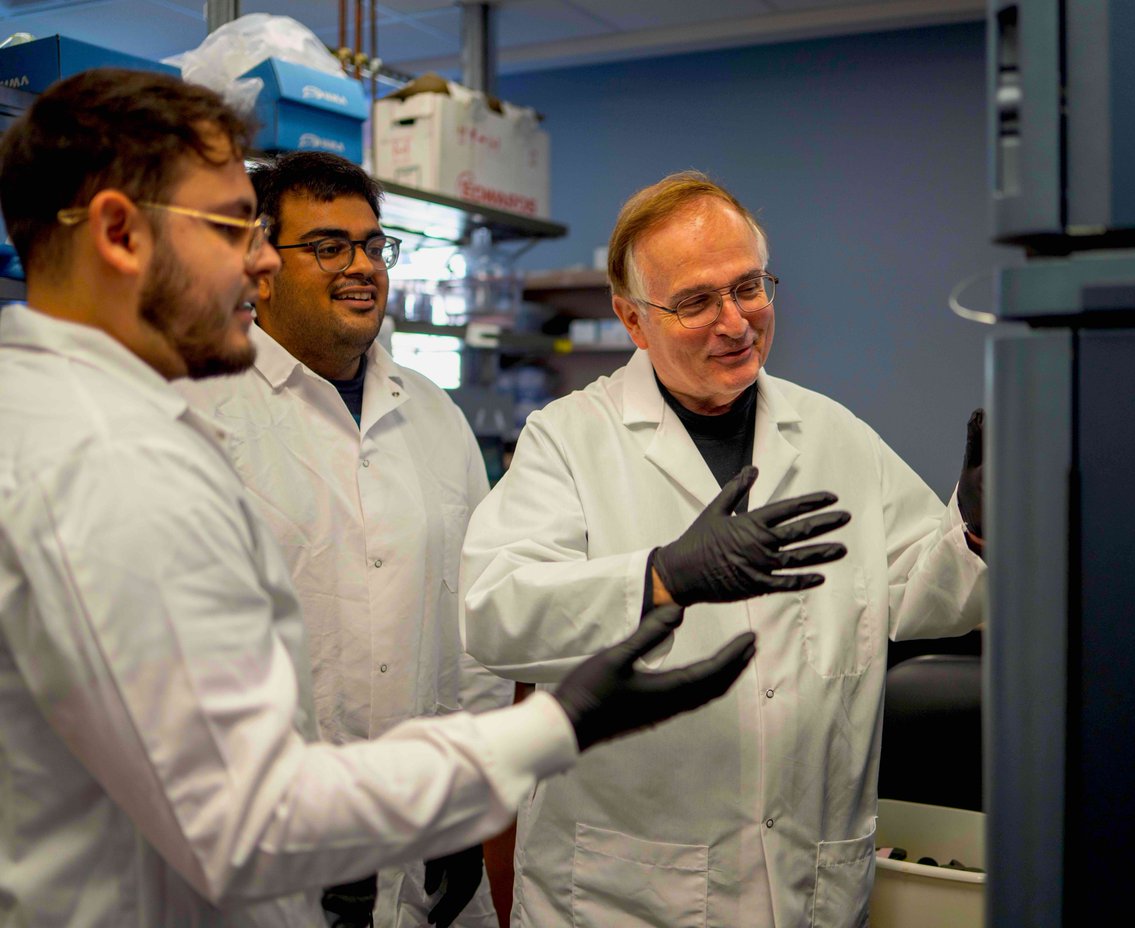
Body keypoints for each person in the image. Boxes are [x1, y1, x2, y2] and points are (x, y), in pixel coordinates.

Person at [0, 70, 759, 928]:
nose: (256, 263)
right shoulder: (109, 458)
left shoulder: (52, 415)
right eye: (229, 228)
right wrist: (552, 728)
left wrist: (450, 806)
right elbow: (249, 817)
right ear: (117, 233)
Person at [460, 171, 988, 927]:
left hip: (808, 883)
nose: (735, 322)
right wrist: (660, 578)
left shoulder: (832, 433)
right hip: (628, 895)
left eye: (748, 287)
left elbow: (912, 592)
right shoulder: (569, 440)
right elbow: (494, 615)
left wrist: (975, 530)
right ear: (632, 320)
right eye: (696, 301)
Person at [176, 151, 510, 928]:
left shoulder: (435, 414)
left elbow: (477, 629)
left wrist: (474, 806)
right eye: (328, 246)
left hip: (419, 843)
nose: (362, 267)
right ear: (260, 266)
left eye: (373, 245)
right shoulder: (197, 409)